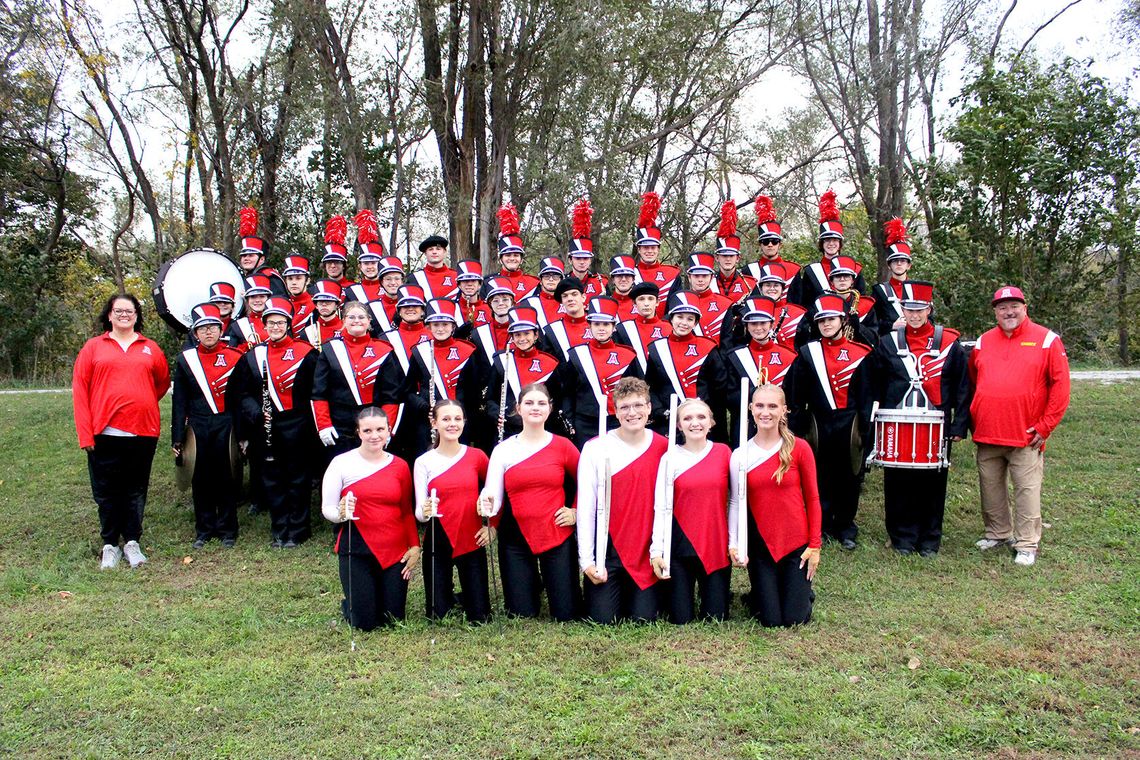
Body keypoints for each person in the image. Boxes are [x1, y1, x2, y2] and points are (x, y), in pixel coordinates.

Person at [969, 286, 1070, 567]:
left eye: (1014, 305)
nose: (1008, 311)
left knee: (1026, 490)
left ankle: (1026, 543)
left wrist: (1045, 426)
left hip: (1026, 435)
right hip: (988, 432)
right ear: (995, 312)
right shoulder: (983, 341)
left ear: (1025, 307)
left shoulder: (1047, 340)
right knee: (990, 487)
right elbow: (975, 379)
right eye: (1002, 307)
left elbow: (1060, 388)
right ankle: (998, 532)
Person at [871, 281, 971, 556]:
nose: (914, 315)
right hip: (897, 421)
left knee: (933, 483)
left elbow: (963, 385)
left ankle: (929, 540)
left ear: (929, 309)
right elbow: (877, 382)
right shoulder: (888, 342)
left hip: (937, 424)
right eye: (909, 309)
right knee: (897, 482)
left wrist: (960, 423)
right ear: (902, 310)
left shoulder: (949, 342)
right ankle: (902, 538)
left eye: (920, 309)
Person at [73, 293, 171, 569]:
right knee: (106, 491)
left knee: (135, 489)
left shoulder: (150, 348)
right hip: (104, 433)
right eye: (118, 310)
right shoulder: (93, 347)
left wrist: (141, 402)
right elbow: (80, 392)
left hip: (143, 432)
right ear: (109, 315)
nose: (124, 315)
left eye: (129, 311)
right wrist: (86, 433)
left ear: (137, 316)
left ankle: (131, 541)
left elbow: (161, 383)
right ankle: (109, 544)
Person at [478, 383, 582, 621]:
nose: (535, 408)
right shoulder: (503, 450)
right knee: (521, 614)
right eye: (529, 403)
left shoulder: (563, 445)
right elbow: (493, 495)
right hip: (515, 537)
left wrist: (575, 510)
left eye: (541, 403)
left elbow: (587, 483)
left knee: (566, 614)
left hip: (556, 534)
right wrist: (486, 506)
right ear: (518, 408)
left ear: (550, 409)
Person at [728, 384, 821, 627]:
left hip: (795, 543)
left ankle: (801, 592)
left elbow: (812, 499)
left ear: (784, 411)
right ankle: (760, 595)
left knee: (795, 619)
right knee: (769, 620)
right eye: (759, 406)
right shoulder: (741, 454)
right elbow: (736, 503)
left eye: (772, 406)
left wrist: (815, 546)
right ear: (751, 409)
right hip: (761, 546)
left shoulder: (800, 448)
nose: (765, 412)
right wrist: (734, 544)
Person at [577, 377, 667, 624]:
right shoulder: (595, 448)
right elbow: (586, 509)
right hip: (608, 550)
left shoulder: (664, 448)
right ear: (614, 411)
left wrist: (658, 550)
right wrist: (587, 561)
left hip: (646, 550)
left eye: (638, 405)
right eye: (625, 407)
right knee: (603, 619)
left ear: (649, 408)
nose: (632, 413)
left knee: (643, 618)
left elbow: (666, 508)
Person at [322, 407, 421, 630]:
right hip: (356, 548)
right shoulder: (341, 463)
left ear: (389, 431)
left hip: (394, 550)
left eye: (380, 429)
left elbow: (405, 510)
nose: (374, 435)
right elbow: (327, 508)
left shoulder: (400, 465)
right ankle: (351, 605)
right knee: (364, 624)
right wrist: (341, 514)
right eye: (367, 430)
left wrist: (415, 546)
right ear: (358, 432)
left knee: (393, 621)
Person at [789, 293, 873, 549]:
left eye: (831, 319)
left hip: (851, 423)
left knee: (850, 476)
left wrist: (866, 430)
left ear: (843, 320)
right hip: (819, 422)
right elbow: (795, 392)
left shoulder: (862, 352)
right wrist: (799, 424)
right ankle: (822, 524)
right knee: (820, 476)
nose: (826, 324)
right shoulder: (807, 353)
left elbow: (868, 394)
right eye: (822, 320)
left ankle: (845, 526)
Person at [234, 296, 318, 547]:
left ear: (288, 324)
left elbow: (317, 391)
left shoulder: (307, 353)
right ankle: (279, 528)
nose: (275, 327)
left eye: (280, 322)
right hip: (266, 425)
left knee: (298, 478)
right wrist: (256, 413)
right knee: (272, 478)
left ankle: (299, 530)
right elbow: (243, 393)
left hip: (299, 424)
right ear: (264, 325)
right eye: (270, 323)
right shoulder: (253, 355)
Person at [650, 399, 731, 623]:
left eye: (701, 417)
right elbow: (661, 506)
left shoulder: (724, 453)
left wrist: (734, 543)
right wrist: (657, 551)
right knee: (679, 618)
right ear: (678, 426)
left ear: (712, 422)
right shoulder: (670, 458)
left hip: (715, 545)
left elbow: (736, 502)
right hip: (680, 547)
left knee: (717, 617)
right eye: (687, 418)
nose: (695, 423)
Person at [171, 303, 243, 549]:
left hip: (226, 423)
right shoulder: (185, 360)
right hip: (198, 425)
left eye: (212, 326)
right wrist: (177, 437)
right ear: (195, 333)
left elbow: (241, 399)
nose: (208, 332)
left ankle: (228, 530)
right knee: (200, 478)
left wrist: (242, 435)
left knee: (226, 476)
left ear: (221, 328)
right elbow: (179, 402)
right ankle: (204, 529)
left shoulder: (235, 357)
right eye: (202, 328)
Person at [415, 400, 493, 622]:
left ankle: (466, 596)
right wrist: (425, 510)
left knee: (480, 617)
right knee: (437, 616)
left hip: (471, 536)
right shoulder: (423, 462)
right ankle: (449, 597)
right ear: (434, 423)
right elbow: (419, 513)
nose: (452, 424)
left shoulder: (477, 456)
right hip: (437, 536)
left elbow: (495, 493)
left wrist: (491, 528)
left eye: (457, 419)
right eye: (446, 419)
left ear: (464, 422)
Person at [311, 300, 402, 461]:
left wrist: (386, 429)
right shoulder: (329, 349)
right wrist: (324, 425)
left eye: (361, 317)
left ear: (369, 321)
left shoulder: (384, 350)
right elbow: (319, 393)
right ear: (344, 320)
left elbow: (392, 396)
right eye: (351, 317)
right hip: (339, 425)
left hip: (372, 426)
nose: (356, 321)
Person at [557, 296, 644, 448]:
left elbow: (639, 390)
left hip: (619, 420)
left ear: (614, 327)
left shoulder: (628, 355)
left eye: (606, 324)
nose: (601, 328)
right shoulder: (577, 355)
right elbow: (568, 392)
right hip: (585, 423)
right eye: (596, 324)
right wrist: (570, 421)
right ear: (589, 326)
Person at [644, 291, 728, 440]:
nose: (684, 323)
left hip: (702, 422)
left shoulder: (708, 347)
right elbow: (651, 386)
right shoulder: (657, 349)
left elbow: (719, 389)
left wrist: (707, 414)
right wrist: (661, 411)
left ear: (696, 323)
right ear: (671, 318)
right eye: (679, 317)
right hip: (668, 422)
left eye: (690, 319)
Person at [483, 307, 564, 448]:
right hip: (508, 429)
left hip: (541, 429)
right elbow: (490, 398)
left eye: (526, 334)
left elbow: (557, 399)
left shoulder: (550, 363)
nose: (522, 339)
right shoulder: (502, 360)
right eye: (517, 335)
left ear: (536, 335)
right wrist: (497, 415)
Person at [791, 189, 866, 307]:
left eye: (835, 240)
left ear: (840, 243)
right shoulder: (811, 272)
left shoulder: (854, 269)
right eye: (827, 240)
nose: (831, 243)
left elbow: (862, 301)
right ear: (822, 243)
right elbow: (806, 303)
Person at [633, 192, 680, 313]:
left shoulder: (672, 274)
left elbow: (675, 309)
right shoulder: (629, 273)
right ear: (639, 249)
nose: (649, 251)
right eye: (645, 247)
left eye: (653, 247)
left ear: (658, 249)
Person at [614, 281, 671, 373]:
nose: (646, 303)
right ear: (634, 303)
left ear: (657, 302)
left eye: (650, 299)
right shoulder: (622, 330)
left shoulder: (669, 328)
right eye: (641, 299)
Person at [871, 218, 915, 335]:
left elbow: (929, 319)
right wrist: (892, 326)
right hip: (889, 343)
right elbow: (873, 322)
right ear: (889, 265)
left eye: (902, 261)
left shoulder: (917, 289)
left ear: (909, 265)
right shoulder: (879, 291)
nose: (899, 264)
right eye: (895, 261)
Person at [745, 195, 800, 286]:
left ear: (780, 244)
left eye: (774, 241)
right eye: (765, 241)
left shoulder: (793, 270)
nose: (770, 245)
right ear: (760, 244)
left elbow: (797, 299)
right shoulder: (748, 271)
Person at [492, 203, 540, 298]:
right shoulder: (489, 282)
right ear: (500, 258)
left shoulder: (534, 283)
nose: (512, 258)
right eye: (508, 255)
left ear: (521, 259)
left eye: (516, 255)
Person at [711, 200, 755, 302]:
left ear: (737, 258)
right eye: (724, 256)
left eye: (731, 255)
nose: (728, 259)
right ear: (717, 258)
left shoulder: (749, 284)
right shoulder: (708, 283)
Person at [236, 206, 286, 295]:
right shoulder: (241, 277)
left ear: (262, 259)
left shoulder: (270, 277)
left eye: (251, 255)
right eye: (244, 255)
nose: (246, 258)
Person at [539, 276, 591, 361]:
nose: (570, 299)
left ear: (583, 297)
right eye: (565, 296)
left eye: (574, 294)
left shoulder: (598, 324)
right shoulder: (552, 331)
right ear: (562, 302)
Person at [567, 198, 607, 300]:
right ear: (570, 260)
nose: (582, 262)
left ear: (590, 260)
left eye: (585, 258)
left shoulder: (600, 282)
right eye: (578, 258)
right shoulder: (560, 282)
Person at [344, 209, 386, 303]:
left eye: (374, 263)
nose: (370, 267)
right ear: (360, 266)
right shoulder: (351, 291)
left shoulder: (390, 288)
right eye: (366, 263)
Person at [224, 274, 272, 350]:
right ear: (247, 300)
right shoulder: (237, 326)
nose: (257, 300)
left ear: (268, 298)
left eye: (262, 296)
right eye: (253, 297)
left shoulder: (279, 321)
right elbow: (233, 352)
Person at [364, 256, 406, 334]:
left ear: (402, 281)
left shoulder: (412, 306)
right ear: (381, 282)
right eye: (388, 279)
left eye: (397, 278)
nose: (393, 283)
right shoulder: (370, 308)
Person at [520, 257, 566, 328]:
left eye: (555, 276)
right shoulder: (528, 303)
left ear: (561, 280)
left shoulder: (568, 302)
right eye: (546, 276)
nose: (551, 279)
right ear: (540, 281)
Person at [298, 279, 345, 348]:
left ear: (336, 305)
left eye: (328, 302)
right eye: (320, 302)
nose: (324, 305)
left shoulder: (346, 328)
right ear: (316, 305)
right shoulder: (308, 332)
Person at [410, 234, 459, 300]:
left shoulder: (457, 277)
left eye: (438, 249)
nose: (434, 252)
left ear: (445, 252)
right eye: (430, 249)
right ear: (425, 253)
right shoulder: (415, 278)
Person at [318, 214, 356, 289]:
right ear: (324, 266)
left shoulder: (354, 289)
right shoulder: (317, 289)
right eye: (329, 262)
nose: (332, 266)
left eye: (337, 262)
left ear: (344, 266)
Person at [281, 256, 315, 336]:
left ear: (307, 281)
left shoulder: (315, 304)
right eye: (290, 278)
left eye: (298, 278)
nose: (294, 282)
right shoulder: (282, 305)